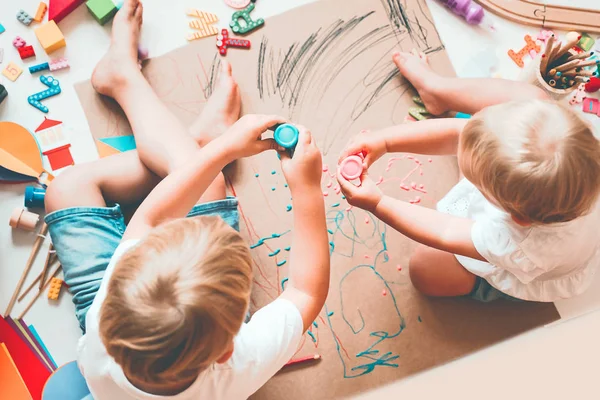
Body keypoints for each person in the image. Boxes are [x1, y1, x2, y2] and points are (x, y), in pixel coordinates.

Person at [45, 0, 330, 398]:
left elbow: (152, 220)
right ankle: (146, 99)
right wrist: (307, 189)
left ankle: (164, 115)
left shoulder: (105, 329)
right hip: (184, 329)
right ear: (228, 349)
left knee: (64, 189)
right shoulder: (238, 368)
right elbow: (305, 291)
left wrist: (222, 151)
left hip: (133, 349)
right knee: (206, 184)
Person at [337, 50, 600, 303]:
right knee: (534, 97)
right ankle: (436, 89)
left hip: (527, 266)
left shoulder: (515, 243)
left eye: (476, 177)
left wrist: (378, 203)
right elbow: (459, 134)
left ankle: (485, 289)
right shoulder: (582, 153)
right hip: (533, 200)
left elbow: (447, 230)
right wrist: (384, 141)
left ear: (516, 215)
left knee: (425, 270)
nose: (462, 141)